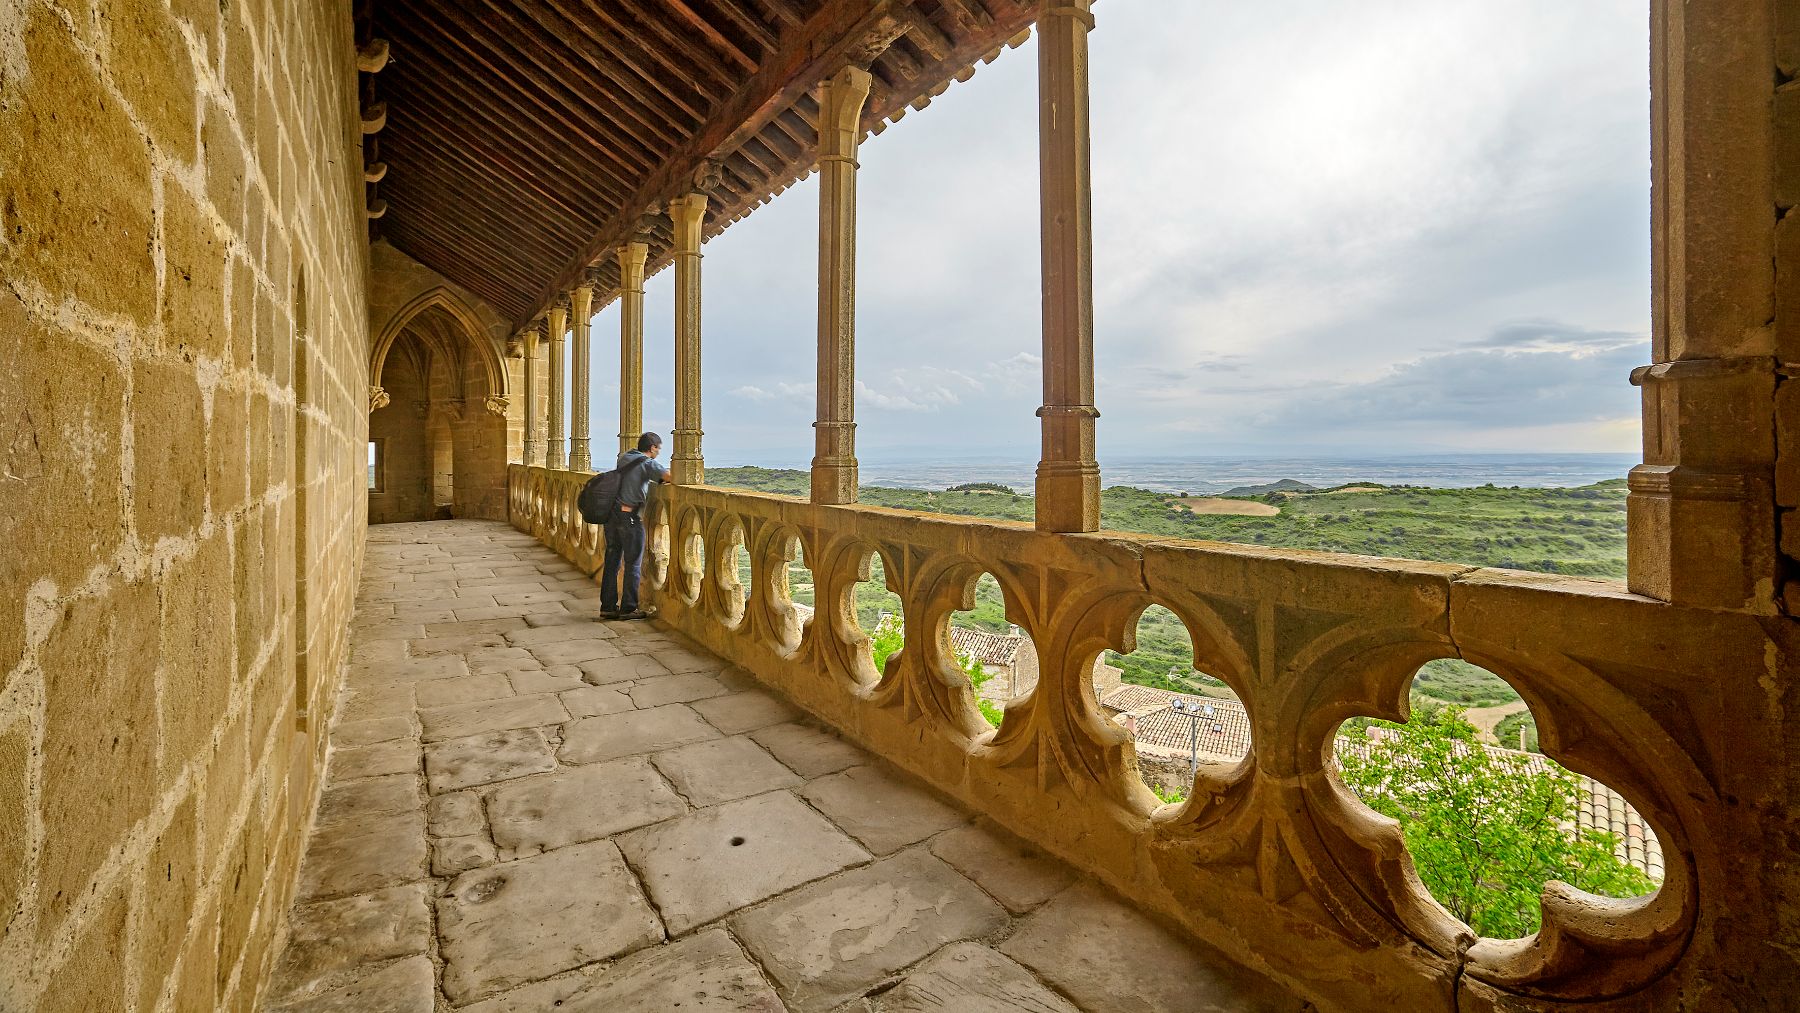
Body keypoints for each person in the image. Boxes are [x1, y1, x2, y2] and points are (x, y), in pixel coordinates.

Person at [599, 432, 672, 620]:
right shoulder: (647, 463)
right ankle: (629, 608)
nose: (659, 451)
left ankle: (607, 606)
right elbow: (668, 476)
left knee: (612, 560)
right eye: (658, 448)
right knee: (632, 564)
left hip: (612, 515)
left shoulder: (624, 458)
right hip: (630, 517)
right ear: (652, 447)